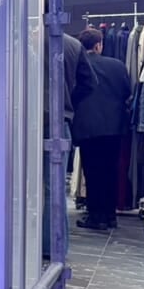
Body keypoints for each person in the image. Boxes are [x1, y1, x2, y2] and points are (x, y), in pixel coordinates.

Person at [42, 26, 97, 258]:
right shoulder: (72, 44)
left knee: (15, 186)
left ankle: (20, 244)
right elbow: (89, 83)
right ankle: (53, 248)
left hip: (22, 120)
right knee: (53, 188)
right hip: (57, 120)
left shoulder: (20, 37)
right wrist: (67, 100)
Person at [72, 28, 131, 231]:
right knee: (111, 171)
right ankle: (110, 215)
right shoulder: (118, 65)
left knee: (93, 172)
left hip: (88, 127)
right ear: (99, 45)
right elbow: (127, 92)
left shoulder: (78, 65)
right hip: (114, 127)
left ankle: (96, 216)